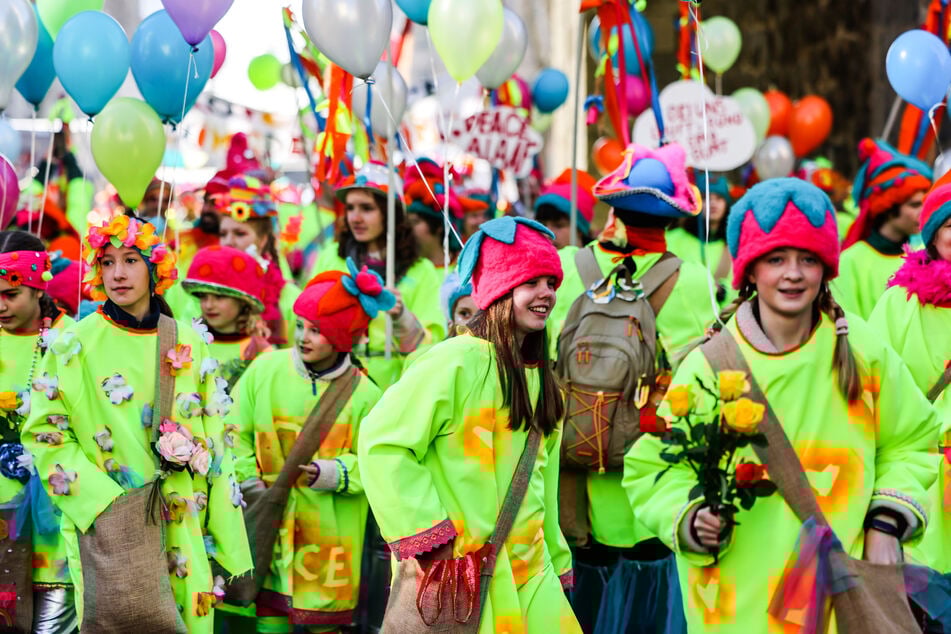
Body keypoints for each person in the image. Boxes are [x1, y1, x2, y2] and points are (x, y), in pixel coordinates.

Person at [624, 178, 940, 633]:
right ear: (749, 270)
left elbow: (913, 440)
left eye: (808, 259)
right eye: (776, 259)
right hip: (734, 606)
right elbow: (651, 467)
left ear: (825, 268)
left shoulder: (861, 351)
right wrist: (689, 518)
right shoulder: (709, 366)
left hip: (838, 603)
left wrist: (887, 521)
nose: (793, 273)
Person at [22, 213, 252, 633]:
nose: (117, 273)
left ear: (154, 267)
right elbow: (44, 434)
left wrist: (223, 531)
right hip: (111, 518)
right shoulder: (74, 342)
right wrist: (101, 501)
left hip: (184, 517)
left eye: (130, 259)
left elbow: (216, 439)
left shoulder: (188, 340)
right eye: (106, 262)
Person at [358, 216, 580, 633]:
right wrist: (430, 536)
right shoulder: (455, 360)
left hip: (531, 573)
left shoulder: (544, 380)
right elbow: (381, 441)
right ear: (499, 289)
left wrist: (558, 560)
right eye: (532, 282)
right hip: (457, 574)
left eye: (551, 282)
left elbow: (542, 485)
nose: (546, 294)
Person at [550, 143, 712, 633]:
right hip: (649, 488)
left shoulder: (564, 267)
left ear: (612, 207)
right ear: (672, 217)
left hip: (570, 482)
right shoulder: (692, 280)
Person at [229, 259, 387, 633]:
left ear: (343, 336)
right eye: (301, 326)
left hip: (330, 541)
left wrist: (337, 473)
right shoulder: (265, 370)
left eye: (317, 330)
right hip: (266, 523)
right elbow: (231, 430)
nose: (303, 337)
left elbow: (379, 460)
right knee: (269, 620)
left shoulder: (367, 395)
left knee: (327, 624)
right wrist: (248, 480)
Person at [869, 168, 951, 572]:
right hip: (922, 484)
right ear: (933, 234)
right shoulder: (898, 303)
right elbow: (874, 390)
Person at [308, 162, 444, 390]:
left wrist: (402, 318)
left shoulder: (421, 271)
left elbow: (432, 350)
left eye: (367, 208)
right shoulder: (330, 257)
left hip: (396, 388)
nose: (355, 218)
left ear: (391, 213)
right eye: (350, 208)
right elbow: (306, 321)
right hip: (333, 381)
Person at [0, 231, 77, 633]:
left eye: (10, 293)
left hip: (56, 517)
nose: (1, 305)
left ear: (37, 286)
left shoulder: (73, 340)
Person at [833, 138, 932, 319]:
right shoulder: (850, 261)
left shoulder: (924, 257)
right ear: (888, 208)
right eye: (914, 205)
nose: (923, 212)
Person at [181, 245, 272, 389]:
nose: (209, 305)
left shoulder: (262, 353)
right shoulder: (186, 343)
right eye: (203, 296)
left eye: (219, 297)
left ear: (243, 301)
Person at [403, 158, 489, 274]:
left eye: (415, 222)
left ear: (438, 226)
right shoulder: (400, 271)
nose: (408, 228)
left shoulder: (467, 266)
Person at [667, 173, 734, 304]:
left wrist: (723, 292)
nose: (713, 203)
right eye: (705, 198)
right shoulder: (673, 239)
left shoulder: (735, 245)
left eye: (719, 198)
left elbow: (742, 289)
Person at [533, 168, 598, 250]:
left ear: (580, 230)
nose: (547, 234)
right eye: (542, 225)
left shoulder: (599, 261)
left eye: (558, 225)